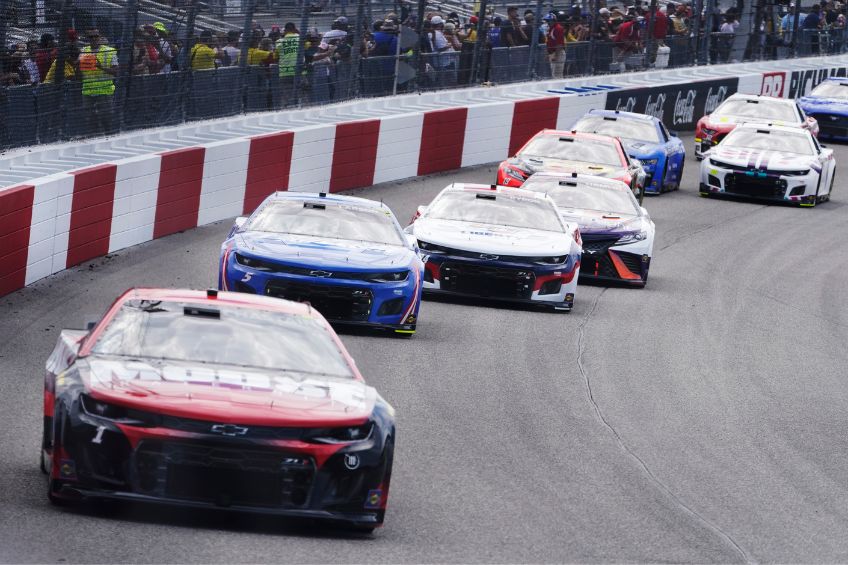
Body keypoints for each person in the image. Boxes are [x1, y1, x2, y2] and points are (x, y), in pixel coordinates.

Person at [79, 28, 118, 135]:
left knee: (106, 116)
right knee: (90, 118)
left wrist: (101, 67)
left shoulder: (109, 51)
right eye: (91, 37)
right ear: (88, 39)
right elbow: (79, 70)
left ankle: (109, 135)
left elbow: (116, 71)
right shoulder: (83, 51)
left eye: (96, 36)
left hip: (104, 90)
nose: (94, 38)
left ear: (99, 37)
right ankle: (94, 137)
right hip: (88, 91)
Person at [276, 22, 299, 106]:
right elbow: (307, 45)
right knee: (301, 94)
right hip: (299, 71)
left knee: (286, 95)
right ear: (294, 29)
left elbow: (276, 55)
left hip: (284, 72)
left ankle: (287, 109)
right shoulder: (300, 39)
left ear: (285, 30)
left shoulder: (279, 42)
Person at [546, 12, 565, 79]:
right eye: (547, 21)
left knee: (557, 74)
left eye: (549, 21)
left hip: (558, 53)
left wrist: (555, 55)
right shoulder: (551, 29)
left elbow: (559, 44)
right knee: (554, 74)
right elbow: (549, 42)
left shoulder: (558, 28)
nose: (548, 22)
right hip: (552, 53)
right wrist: (548, 54)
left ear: (554, 21)